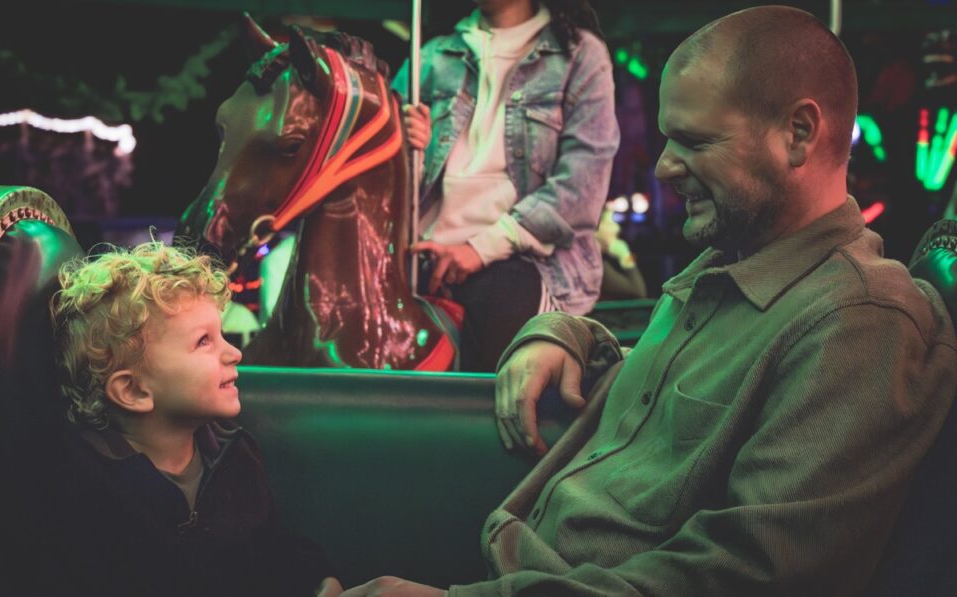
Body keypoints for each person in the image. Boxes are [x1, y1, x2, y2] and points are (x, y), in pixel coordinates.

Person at [340, 6, 957, 595]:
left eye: (695, 142)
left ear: (798, 133)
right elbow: (689, 386)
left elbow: (751, 577)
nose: (663, 167)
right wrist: (567, 332)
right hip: (520, 554)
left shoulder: (860, 322)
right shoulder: (735, 262)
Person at [47, 242, 341, 597]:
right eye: (204, 342)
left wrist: (323, 583)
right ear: (133, 391)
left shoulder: (234, 453)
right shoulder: (87, 483)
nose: (234, 353)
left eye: (221, 336)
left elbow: (273, 553)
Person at [392, 0, 619, 371]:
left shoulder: (579, 54)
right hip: (422, 256)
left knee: (502, 325)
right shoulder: (431, 57)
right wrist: (403, 148)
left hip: (526, 262)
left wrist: (479, 248)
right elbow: (380, 184)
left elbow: (581, 186)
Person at [596, 205, 647, 299]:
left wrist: (628, 257)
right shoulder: (596, 267)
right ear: (595, 229)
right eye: (609, 224)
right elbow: (639, 291)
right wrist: (626, 255)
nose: (617, 228)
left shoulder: (603, 260)